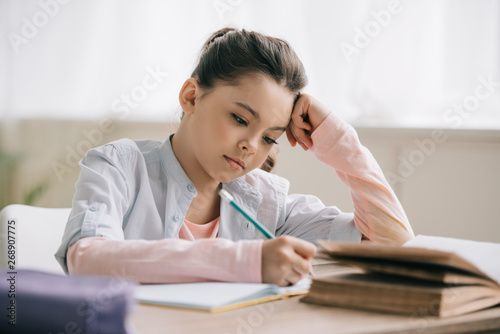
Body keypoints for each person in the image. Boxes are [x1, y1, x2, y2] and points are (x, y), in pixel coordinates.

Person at [55, 27, 414, 287]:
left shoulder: (268, 204)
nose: (251, 146)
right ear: (191, 97)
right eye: (240, 119)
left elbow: (390, 243)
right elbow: (87, 258)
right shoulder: (119, 166)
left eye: (270, 138)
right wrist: (248, 261)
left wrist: (338, 137)